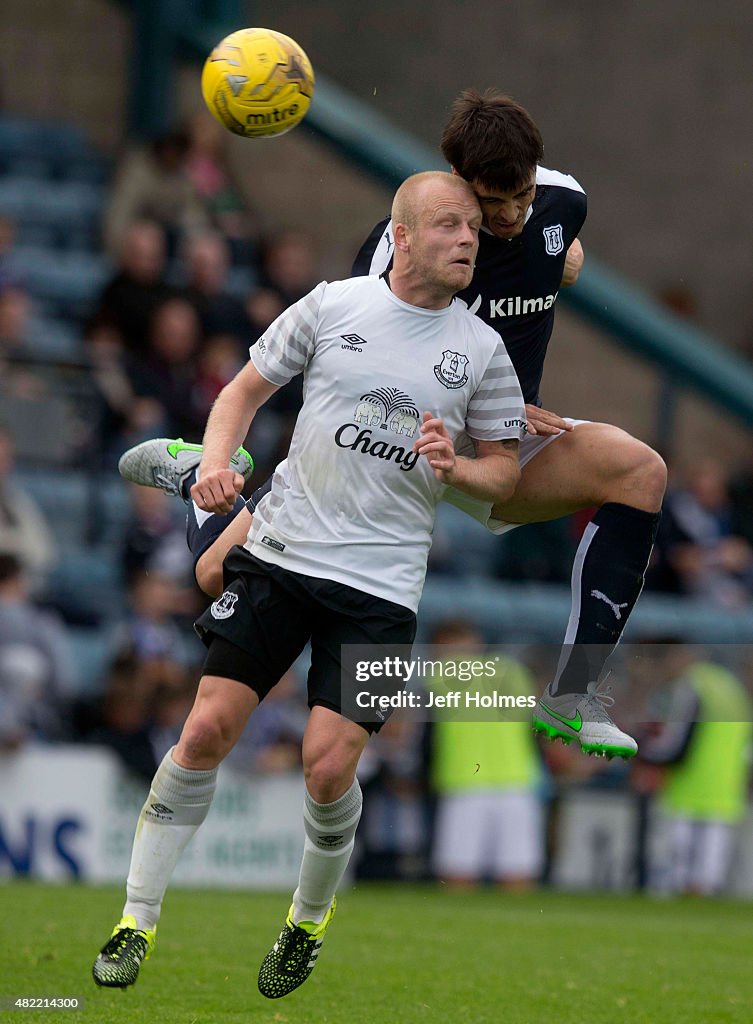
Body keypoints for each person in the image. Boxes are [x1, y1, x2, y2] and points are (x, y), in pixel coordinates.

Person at [122, 88, 662, 759]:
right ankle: (203, 473)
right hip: (390, 444)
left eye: (521, 197)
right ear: (460, 187)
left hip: (492, 447)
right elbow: (366, 370)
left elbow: (556, 250)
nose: (512, 216)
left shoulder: (561, 201)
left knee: (639, 469)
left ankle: (573, 693)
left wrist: (554, 268)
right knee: (209, 575)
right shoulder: (394, 250)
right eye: (494, 206)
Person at [93, 171, 526, 996]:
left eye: (473, 227)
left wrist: (459, 467)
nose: (466, 238)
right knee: (204, 731)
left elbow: (502, 474)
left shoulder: (481, 350)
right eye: (446, 225)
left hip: (383, 588)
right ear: (399, 237)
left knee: (327, 770)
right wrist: (218, 458)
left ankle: (305, 923)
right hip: (288, 551)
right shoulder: (334, 306)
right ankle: (135, 920)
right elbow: (242, 390)